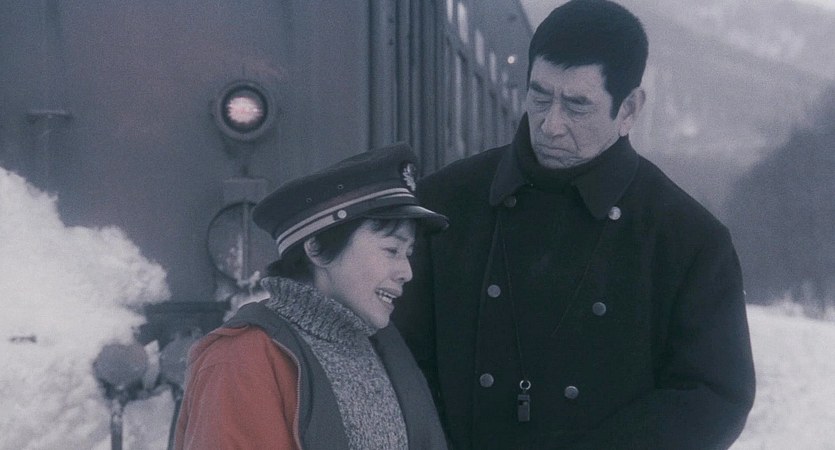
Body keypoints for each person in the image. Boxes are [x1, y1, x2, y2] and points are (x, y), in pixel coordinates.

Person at [392, 1, 756, 449]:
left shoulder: (688, 239)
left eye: (577, 106)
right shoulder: (444, 204)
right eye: (539, 96)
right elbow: (398, 357)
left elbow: (713, 395)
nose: (550, 125)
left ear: (629, 109)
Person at [174, 143, 450, 449]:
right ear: (316, 247)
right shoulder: (240, 359)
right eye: (391, 250)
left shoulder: (385, 346)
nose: (406, 272)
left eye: (408, 253)